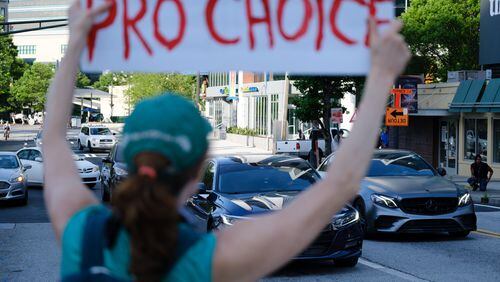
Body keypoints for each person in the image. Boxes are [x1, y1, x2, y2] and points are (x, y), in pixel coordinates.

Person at [41, 2, 410, 281]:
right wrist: (381, 76)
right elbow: (339, 185)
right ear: (198, 169)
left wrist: (76, 41)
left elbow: (54, 141)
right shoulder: (212, 259)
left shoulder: (82, 232)